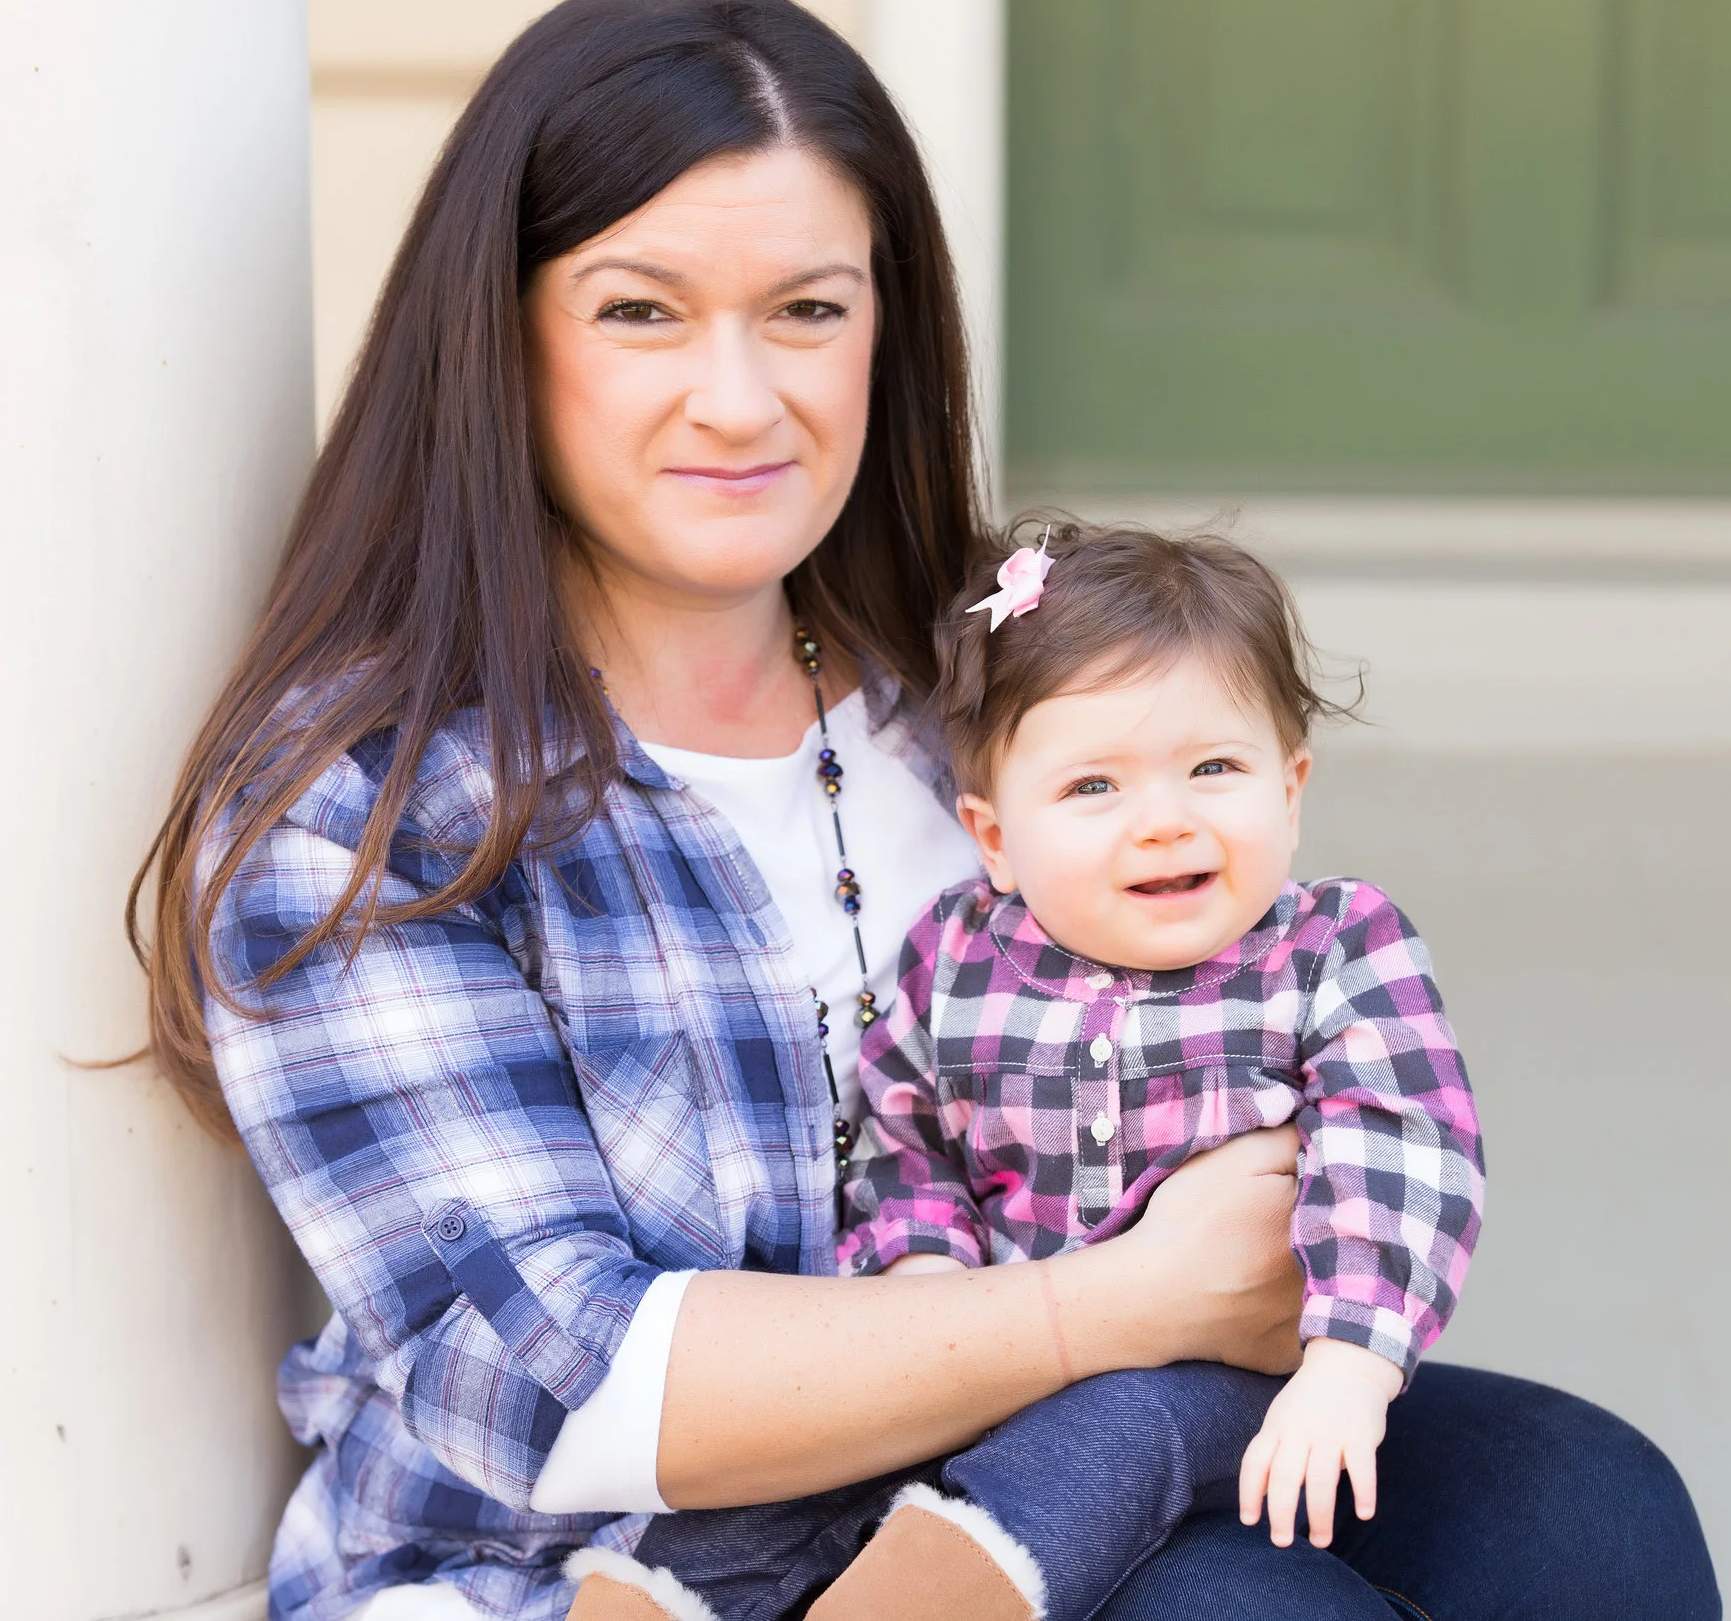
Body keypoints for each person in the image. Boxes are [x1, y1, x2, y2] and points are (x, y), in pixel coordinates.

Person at [125, 0, 1721, 1620]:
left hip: (1063, 1444)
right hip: (605, 1563)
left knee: (1587, 1510)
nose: (740, 398)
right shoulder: (373, 802)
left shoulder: (956, 697)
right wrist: (1126, 1298)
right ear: (502, 336)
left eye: (807, 310)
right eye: (642, 311)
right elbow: (561, 1391)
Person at [632, 526, 1486, 1621]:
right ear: (994, 837)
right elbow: (905, 1138)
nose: (1164, 819)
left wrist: (1349, 1365)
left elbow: (1404, 1149)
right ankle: (651, 1597)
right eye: (1093, 785)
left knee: (1114, 1436)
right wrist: (927, 1282)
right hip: (994, 1357)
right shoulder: (956, 957)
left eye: (1214, 767)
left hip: (1223, 1378)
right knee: (794, 1477)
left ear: (1291, 786)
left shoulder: (1330, 948)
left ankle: (939, 1590)